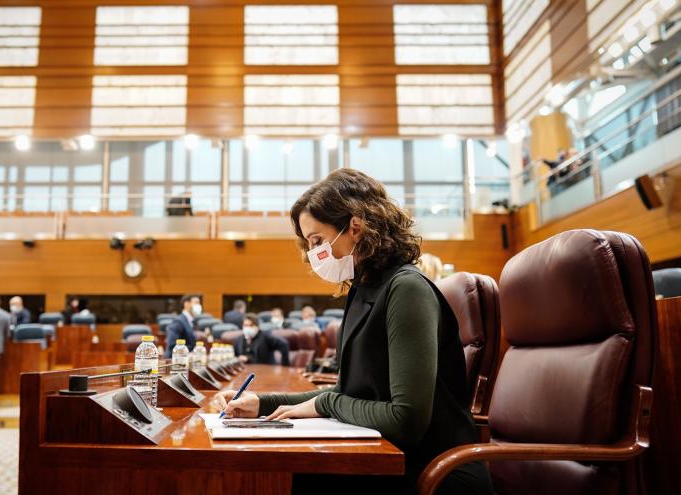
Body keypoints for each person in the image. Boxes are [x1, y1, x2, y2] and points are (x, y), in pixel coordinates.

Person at [211, 169, 493, 494]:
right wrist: (260, 403)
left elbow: (405, 420)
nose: (313, 253)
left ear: (355, 226)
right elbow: (349, 393)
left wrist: (325, 404)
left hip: (433, 472)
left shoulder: (407, 289)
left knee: (285, 475)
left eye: (317, 240)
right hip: (388, 455)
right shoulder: (363, 290)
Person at [164, 294, 201, 358]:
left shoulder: (193, 321)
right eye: (196, 303)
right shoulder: (178, 321)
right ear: (186, 304)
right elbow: (172, 345)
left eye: (199, 303)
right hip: (174, 361)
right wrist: (188, 354)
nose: (199, 306)